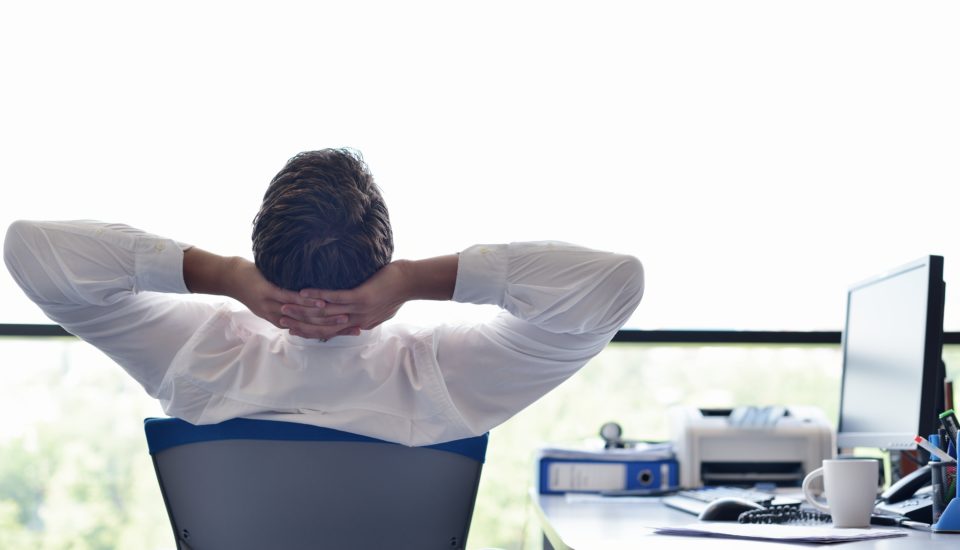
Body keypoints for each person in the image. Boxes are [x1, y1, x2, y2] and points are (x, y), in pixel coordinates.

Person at [3, 149, 644, 446]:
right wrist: (415, 281)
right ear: (382, 258)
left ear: (262, 257)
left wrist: (224, 276)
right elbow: (613, 285)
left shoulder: (197, 360)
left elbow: (30, 250)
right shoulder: (446, 381)